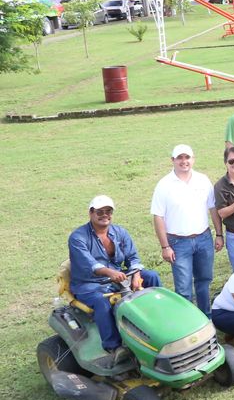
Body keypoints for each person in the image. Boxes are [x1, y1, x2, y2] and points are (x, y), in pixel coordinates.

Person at [68, 195, 163, 366]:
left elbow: (133, 258)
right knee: (101, 302)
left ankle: (158, 323)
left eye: (108, 211)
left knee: (152, 277)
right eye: (100, 211)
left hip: (118, 276)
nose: (105, 215)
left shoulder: (120, 232)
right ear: (91, 213)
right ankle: (114, 346)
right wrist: (111, 273)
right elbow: (90, 265)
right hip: (90, 284)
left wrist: (136, 275)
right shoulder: (77, 238)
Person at [151, 144, 221, 316]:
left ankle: (206, 317)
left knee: (204, 281)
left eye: (187, 157)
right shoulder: (164, 185)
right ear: (172, 160)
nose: (184, 161)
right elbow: (158, 217)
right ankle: (188, 322)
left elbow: (212, 208)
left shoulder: (203, 180)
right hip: (178, 242)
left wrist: (219, 234)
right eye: (180, 158)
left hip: (203, 238)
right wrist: (165, 246)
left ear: (193, 159)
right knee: (183, 288)